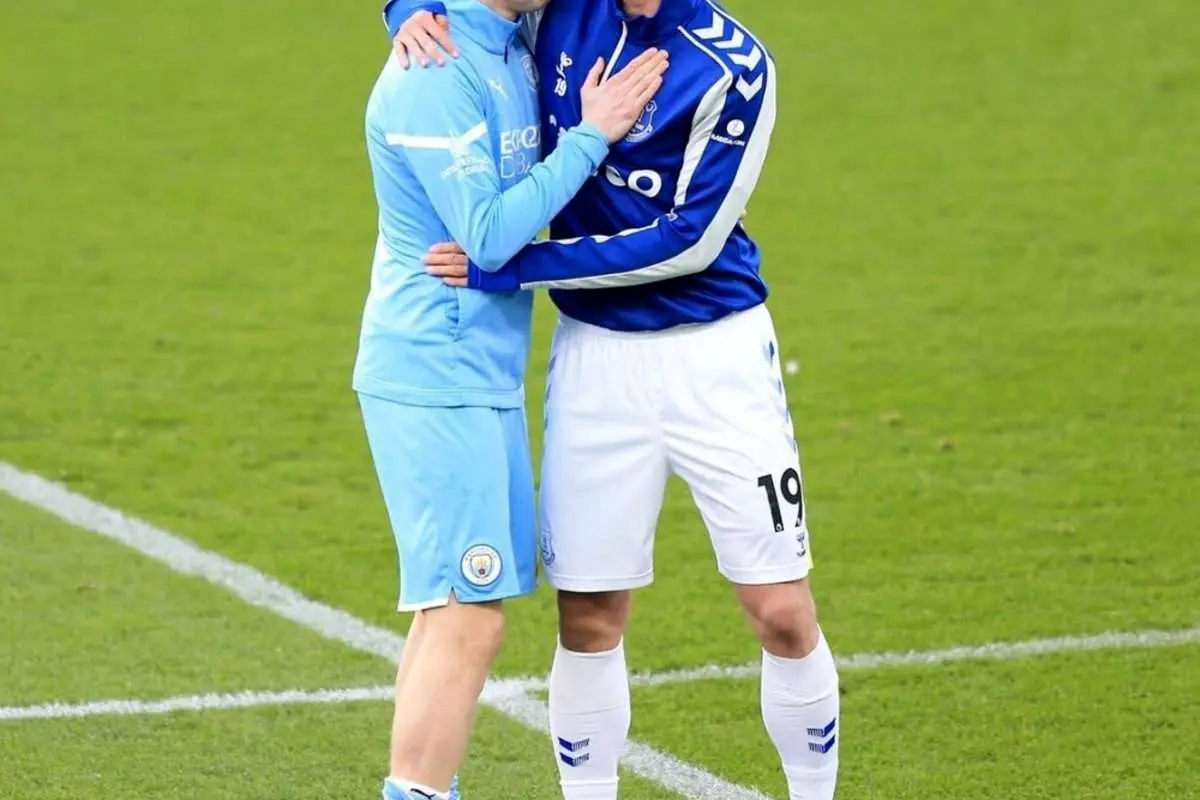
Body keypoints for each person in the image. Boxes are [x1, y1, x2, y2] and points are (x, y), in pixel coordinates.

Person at [389, 0, 842, 798]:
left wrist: (516, 266)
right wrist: (407, 8)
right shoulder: (563, 12)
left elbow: (689, 240)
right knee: (590, 617)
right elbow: (481, 12)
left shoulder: (736, 67)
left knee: (780, 610)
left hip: (718, 357)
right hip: (596, 361)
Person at [357, 0, 667, 796]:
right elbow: (489, 238)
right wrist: (593, 136)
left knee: (450, 610)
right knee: (470, 616)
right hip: (435, 374)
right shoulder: (435, 71)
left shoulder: (511, 36)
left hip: (480, 374)